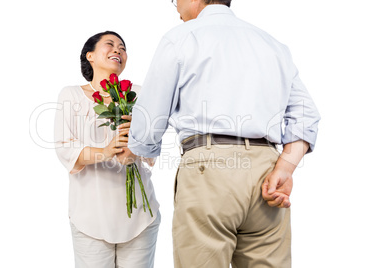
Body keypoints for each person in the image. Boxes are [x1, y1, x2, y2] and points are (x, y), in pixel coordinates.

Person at [127, 1, 320, 267]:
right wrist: (285, 168)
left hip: (209, 169)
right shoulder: (272, 44)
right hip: (268, 171)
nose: (175, 6)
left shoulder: (181, 37)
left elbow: (148, 122)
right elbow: (306, 115)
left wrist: (142, 149)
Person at [54, 31, 160, 268]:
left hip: (140, 216)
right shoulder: (71, 95)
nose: (118, 50)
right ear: (89, 55)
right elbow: (64, 148)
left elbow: (154, 147)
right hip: (90, 216)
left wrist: (136, 149)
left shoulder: (140, 95)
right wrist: (105, 151)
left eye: (122, 48)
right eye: (110, 45)